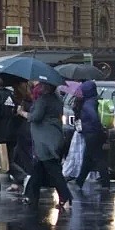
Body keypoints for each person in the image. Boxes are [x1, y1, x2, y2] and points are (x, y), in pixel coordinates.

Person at [21, 81, 73, 209]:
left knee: (53, 169)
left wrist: (22, 112)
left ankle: (66, 196)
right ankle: (31, 196)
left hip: (45, 140)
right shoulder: (57, 100)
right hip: (54, 137)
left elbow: (36, 116)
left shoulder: (43, 100)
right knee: (39, 169)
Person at [73, 79, 109, 190]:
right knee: (87, 158)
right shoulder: (96, 100)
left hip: (91, 134)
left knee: (98, 158)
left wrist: (95, 128)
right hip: (96, 134)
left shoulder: (87, 104)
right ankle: (79, 181)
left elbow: (93, 118)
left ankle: (106, 184)